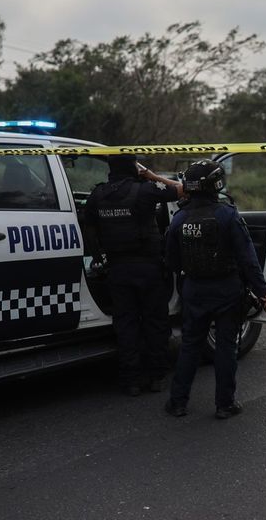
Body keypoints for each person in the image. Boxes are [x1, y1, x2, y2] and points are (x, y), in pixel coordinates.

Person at [163, 159, 266, 419]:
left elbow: (172, 261)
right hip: (227, 292)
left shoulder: (179, 218)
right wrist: (263, 291)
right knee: (225, 347)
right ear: (217, 183)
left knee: (190, 346)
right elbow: (248, 259)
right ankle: (225, 404)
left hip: (194, 291)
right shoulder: (227, 215)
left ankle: (178, 402)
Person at [84, 154, 182, 396]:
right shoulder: (146, 190)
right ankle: (156, 376)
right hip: (148, 268)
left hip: (117, 270)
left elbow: (89, 230)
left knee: (126, 325)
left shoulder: (97, 195)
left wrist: (99, 260)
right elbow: (181, 190)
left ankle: (131, 381)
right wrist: (150, 175)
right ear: (133, 167)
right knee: (155, 322)